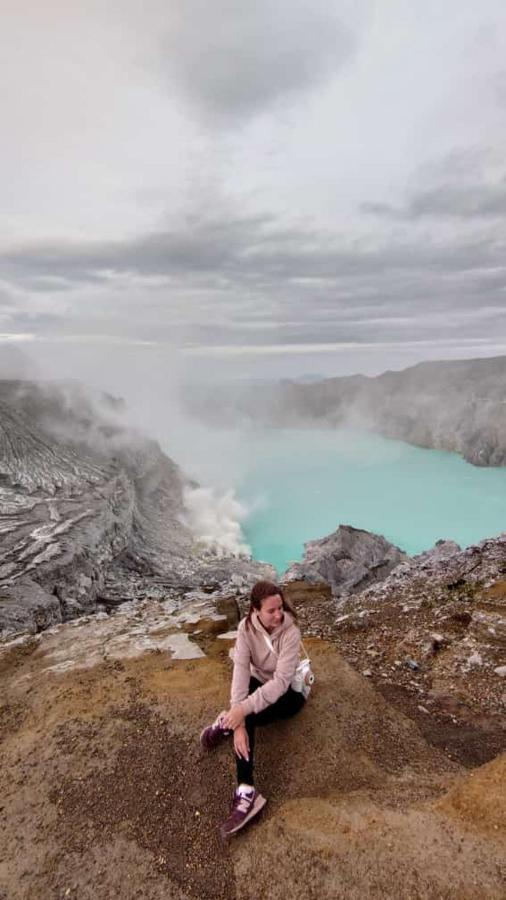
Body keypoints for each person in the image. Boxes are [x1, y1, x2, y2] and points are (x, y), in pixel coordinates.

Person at [200, 580, 307, 837]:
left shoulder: (291, 632)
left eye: (280, 607)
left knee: (248, 710)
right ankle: (246, 786)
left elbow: (281, 682)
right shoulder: (245, 629)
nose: (278, 614)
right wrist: (238, 720)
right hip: (258, 683)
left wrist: (241, 711)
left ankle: (225, 728)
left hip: (288, 696)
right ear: (255, 610)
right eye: (271, 610)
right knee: (245, 701)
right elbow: (240, 671)